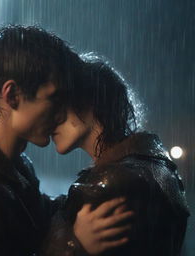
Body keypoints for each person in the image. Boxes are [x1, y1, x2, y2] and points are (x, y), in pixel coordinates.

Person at [0, 26, 132, 256]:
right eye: (54, 98)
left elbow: (42, 222)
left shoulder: (15, 165)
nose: (62, 114)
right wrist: (74, 245)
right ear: (12, 95)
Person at [42, 54, 190, 255]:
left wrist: (70, 242)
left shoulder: (112, 182)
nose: (48, 119)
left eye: (57, 107)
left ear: (88, 102)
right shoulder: (154, 167)